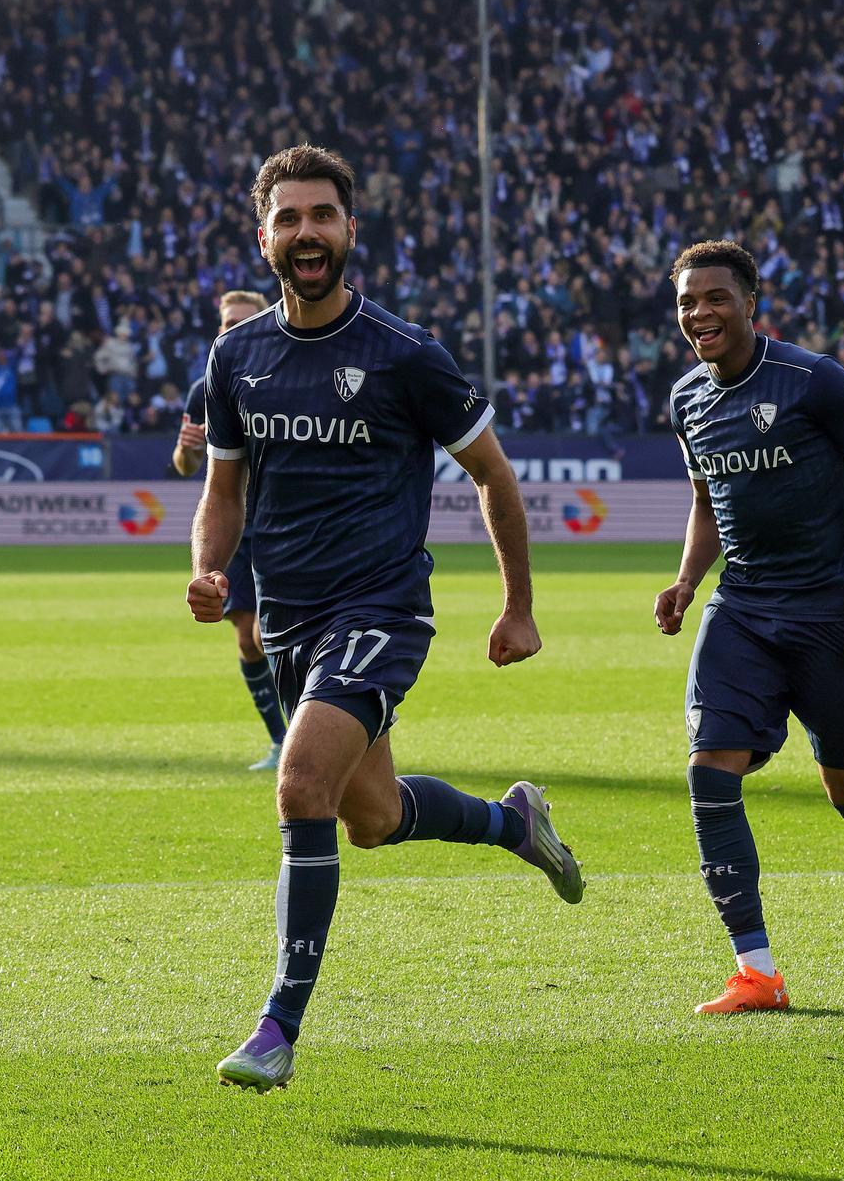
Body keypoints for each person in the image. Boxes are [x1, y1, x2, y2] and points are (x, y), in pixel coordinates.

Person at [187, 145, 584, 1093]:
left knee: (298, 786)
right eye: (288, 218)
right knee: (370, 816)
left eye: (322, 215)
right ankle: (512, 823)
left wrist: (518, 606)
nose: (306, 233)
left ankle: (277, 1026)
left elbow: (493, 474)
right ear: (264, 236)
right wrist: (206, 567)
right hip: (286, 616)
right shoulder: (237, 356)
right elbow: (223, 489)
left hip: (379, 609)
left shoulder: (407, 354)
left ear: (350, 229)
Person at [654, 239, 844, 1015]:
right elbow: (708, 502)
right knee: (710, 771)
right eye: (686, 302)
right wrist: (686, 580)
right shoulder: (686, 400)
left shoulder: (815, 382)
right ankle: (757, 971)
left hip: (829, 611)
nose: (699, 313)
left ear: (750, 302)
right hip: (742, 607)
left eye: (714, 298)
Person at [174, 289, 288, 772]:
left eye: (244, 320)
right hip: (236, 525)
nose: (234, 329)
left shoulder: (285, 377)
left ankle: (319, 736)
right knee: (247, 638)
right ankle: (283, 741)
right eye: (227, 323)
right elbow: (184, 466)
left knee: (270, 635)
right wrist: (187, 448)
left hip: (282, 521)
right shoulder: (205, 390)